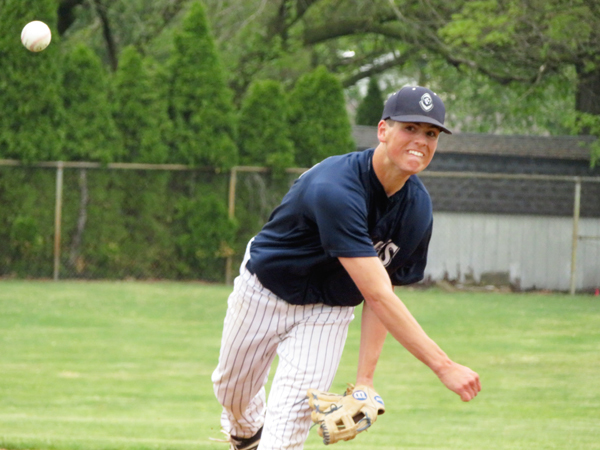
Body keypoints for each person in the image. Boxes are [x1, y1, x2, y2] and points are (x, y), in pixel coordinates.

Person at [212, 86, 481, 450]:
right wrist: (444, 366)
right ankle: (246, 434)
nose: (421, 140)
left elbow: (383, 294)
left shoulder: (417, 210)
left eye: (431, 133)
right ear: (383, 130)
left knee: (290, 423)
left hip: (328, 310)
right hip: (266, 290)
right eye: (410, 129)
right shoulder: (336, 187)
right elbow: (376, 293)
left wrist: (364, 381)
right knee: (232, 392)